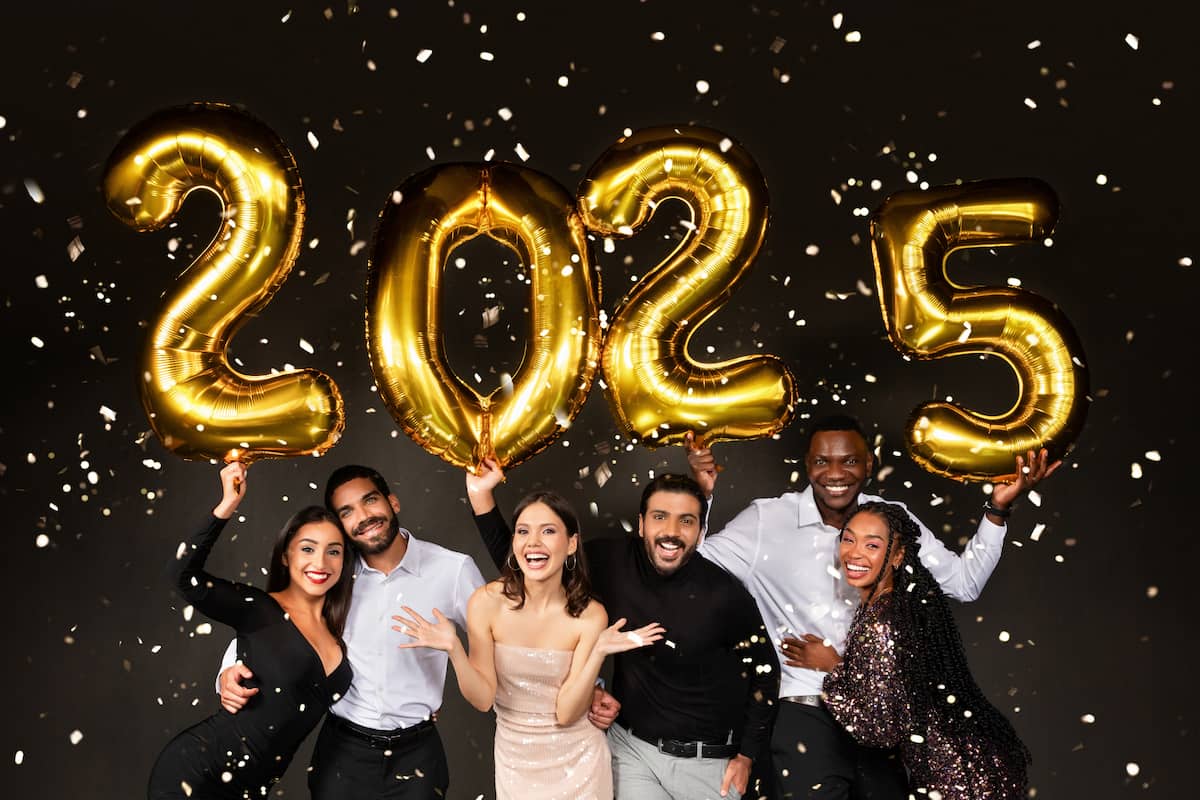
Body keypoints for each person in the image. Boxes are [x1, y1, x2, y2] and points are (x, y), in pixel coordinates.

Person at [686, 414, 1058, 799]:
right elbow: (692, 566)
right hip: (805, 710)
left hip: (881, 721)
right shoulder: (766, 520)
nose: (835, 473)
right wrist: (702, 494)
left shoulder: (890, 519)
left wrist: (997, 510)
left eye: (849, 460)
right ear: (806, 464)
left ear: (869, 464)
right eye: (822, 461)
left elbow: (965, 584)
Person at [468, 461, 779, 800]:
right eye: (660, 517)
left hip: (708, 761)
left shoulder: (726, 595)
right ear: (642, 524)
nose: (671, 531)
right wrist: (480, 496)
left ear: (700, 530)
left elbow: (766, 673)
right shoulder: (610, 562)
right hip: (632, 753)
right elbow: (534, 565)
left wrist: (748, 755)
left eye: (686, 521)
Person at [216, 464, 486, 799]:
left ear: (393, 502)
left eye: (370, 501)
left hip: (417, 754)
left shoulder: (454, 570)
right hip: (343, 752)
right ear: (340, 526)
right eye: (347, 512)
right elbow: (275, 617)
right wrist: (229, 668)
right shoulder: (332, 573)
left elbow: (497, 639)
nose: (363, 516)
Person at [393, 489, 665, 800]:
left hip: (580, 761)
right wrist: (455, 649)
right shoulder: (486, 602)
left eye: (548, 531)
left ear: (572, 543)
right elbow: (483, 700)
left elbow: (567, 713)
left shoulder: (590, 615)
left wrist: (598, 652)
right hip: (515, 761)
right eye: (523, 531)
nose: (533, 542)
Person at [148, 462, 353, 799]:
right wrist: (227, 505)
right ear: (286, 556)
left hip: (252, 791)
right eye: (307, 548)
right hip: (198, 774)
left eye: (334, 551)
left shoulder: (343, 629)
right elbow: (182, 576)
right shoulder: (258, 609)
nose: (321, 563)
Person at [823, 501, 1030, 798]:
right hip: (973, 764)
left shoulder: (883, 621)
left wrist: (832, 668)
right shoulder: (895, 607)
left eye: (872, 545)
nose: (854, 553)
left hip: (958, 778)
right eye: (848, 539)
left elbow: (880, 729)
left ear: (897, 555)